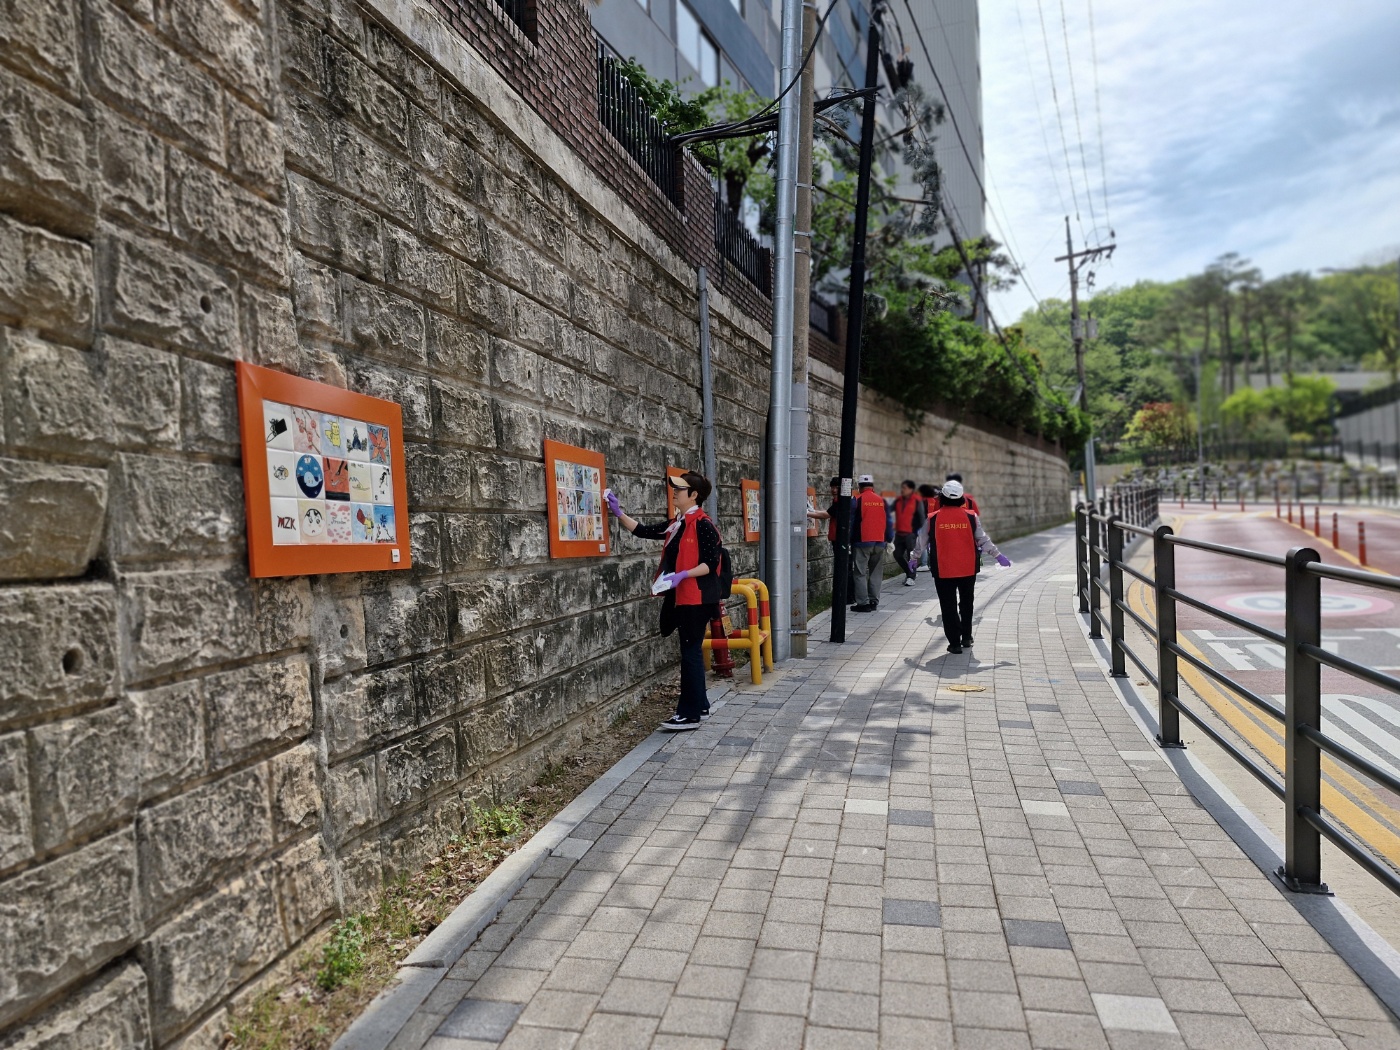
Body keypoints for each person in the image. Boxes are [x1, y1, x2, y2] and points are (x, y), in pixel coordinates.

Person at [607, 472, 721, 731]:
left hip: (696, 598)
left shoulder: (702, 524)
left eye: (679, 489)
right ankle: (700, 704)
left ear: (694, 495)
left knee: (691, 653)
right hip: (683, 597)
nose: (674, 493)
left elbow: (710, 563)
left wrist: (683, 574)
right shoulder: (677, 523)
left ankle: (688, 714)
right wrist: (618, 512)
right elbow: (645, 531)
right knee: (691, 651)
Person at [916, 480, 1011, 654]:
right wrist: (998, 556)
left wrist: (914, 559)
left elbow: (921, 542)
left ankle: (955, 643)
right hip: (968, 568)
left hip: (943, 569)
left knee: (948, 606)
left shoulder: (932, 518)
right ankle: (966, 637)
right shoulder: (971, 516)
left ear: (942, 497)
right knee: (967, 603)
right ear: (961, 498)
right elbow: (983, 539)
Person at [850, 474, 887, 612]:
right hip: (879, 540)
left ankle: (863, 603)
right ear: (872, 486)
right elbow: (887, 520)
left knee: (860, 573)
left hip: (862, 541)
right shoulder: (881, 500)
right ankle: (873, 601)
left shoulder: (856, 500)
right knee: (876, 573)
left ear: (859, 487)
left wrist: (849, 540)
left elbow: (851, 521)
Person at [892, 480, 927, 587]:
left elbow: (921, 518)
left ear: (911, 489)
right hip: (899, 533)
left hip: (911, 533)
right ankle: (909, 572)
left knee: (911, 556)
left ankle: (911, 577)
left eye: (905, 488)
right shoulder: (898, 500)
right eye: (902, 488)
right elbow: (889, 510)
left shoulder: (917, 501)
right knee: (897, 554)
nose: (902, 490)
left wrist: (919, 533)